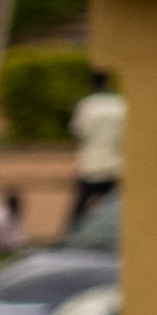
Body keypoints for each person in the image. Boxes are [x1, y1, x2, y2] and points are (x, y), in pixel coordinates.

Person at [67, 82, 125, 234]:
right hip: (115, 165)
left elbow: (79, 132)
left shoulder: (86, 105)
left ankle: (71, 237)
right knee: (115, 208)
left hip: (92, 165)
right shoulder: (120, 104)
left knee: (80, 209)